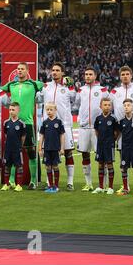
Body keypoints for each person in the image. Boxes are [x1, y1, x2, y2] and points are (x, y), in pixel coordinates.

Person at [1, 62, 44, 189]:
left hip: (28, 122)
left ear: (27, 70)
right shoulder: (11, 85)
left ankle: (33, 181)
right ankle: (12, 181)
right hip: (13, 123)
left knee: (31, 152)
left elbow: (46, 87)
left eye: (22, 69)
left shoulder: (34, 84)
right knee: (14, 152)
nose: (19, 71)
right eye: (18, 69)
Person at [110, 66, 133, 194]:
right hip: (121, 129)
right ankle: (125, 186)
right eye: (123, 74)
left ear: (131, 75)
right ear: (120, 76)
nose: (125, 76)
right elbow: (109, 106)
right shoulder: (115, 92)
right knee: (122, 156)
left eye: (127, 74)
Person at [40, 63, 76, 191]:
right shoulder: (46, 87)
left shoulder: (67, 87)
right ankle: (50, 183)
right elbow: (38, 99)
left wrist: (71, 85)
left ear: (62, 73)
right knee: (48, 153)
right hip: (48, 125)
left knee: (68, 153)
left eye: (57, 70)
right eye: (53, 70)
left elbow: (75, 99)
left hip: (64, 125)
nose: (54, 72)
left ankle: (70, 182)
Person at [75, 67, 110, 192]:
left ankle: (104, 184)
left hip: (99, 128)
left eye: (90, 74)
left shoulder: (103, 90)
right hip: (84, 127)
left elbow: (109, 105)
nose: (87, 76)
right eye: (86, 74)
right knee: (84, 154)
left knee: (101, 156)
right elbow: (76, 103)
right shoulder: (81, 90)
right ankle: (88, 183)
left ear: (95, 76)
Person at [116, 99, 133, 196]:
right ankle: (125, 189)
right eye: (125, 105)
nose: (126, 107)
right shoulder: (121, 121)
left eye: (128, 105)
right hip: (124, 148)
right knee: (123, 168)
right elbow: (118, 133)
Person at [92, 97, 119, 195]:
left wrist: (112, 140)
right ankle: (100, 186)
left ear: (111, 107)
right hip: (100, 145)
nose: (107, 107)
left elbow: (117, 132)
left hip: (109, 145)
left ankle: (110, 187)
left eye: (109, 105)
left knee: (109, 164)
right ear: (100, 106)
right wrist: (100, 139)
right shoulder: (98, 118)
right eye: (105, 105)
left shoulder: (113, 118)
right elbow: (96, 130)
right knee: (100, 164)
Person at [38, 102, 65, 194]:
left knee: (55, 166)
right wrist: (40, 148)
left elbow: (62, 135)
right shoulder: (45, 123)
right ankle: (50, 185)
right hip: (47, 149)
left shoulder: (59, 122)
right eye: (47, 110)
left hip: (55, 149)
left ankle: (56, 186)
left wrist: (62, 148)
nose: (49, 111)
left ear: (55, 110)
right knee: (48, 167)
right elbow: (42, 136)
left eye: (51, 110)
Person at [1, 102, 26, 192]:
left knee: (19, 166)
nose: (11, 111)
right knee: (7, 166)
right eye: (10, 110)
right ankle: (6, 184)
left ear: (18, 110)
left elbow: (23, 137)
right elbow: (6, 134)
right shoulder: (6, 123)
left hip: (17, 149)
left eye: (13, 110)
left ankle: (19, 185)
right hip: (8, 149)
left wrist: (20, 146)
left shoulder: (21, 123)